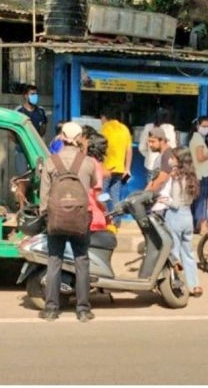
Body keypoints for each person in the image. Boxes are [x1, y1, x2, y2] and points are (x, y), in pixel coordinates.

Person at [38, 122, 97, 322]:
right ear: (80, 137)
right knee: (82, 261)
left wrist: (46, 215)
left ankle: (51, 309)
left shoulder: (50, 161)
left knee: (54, 261)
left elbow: (44, 194)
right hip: (80, 219)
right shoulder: (88, 162)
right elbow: (95, 185)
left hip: (56, 218)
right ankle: (82, 310)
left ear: (61, 136)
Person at [162, 147, 203, 297]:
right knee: (188, 253)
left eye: (173, 157)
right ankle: (195, 286)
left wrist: (163, 200)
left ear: (178, 160)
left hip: (175, 216)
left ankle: (177, 284)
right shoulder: (192, 177)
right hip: (188, 217)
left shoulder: (176, 177)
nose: (170, 160)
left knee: (174, 254)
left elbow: (175, 203)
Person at [99, 107, 133, 227]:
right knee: (115, 195)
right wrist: (127, 168)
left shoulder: (105, 128)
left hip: (106, 169)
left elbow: (100, 149)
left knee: (102, 195)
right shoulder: (124, 129)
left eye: (101, 118)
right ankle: (116, 222)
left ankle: (103, 221)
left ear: (104, 117)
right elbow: (129, 150)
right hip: (120, 169)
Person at [189, 116, 208, 235]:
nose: (206, 128)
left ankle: (195, 225)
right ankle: (202, 226)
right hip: (201, 175)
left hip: (200, 173)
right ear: (197, 126)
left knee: (198, 200)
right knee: (202, 201)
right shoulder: (198, 138)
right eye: (204, 126)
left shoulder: (197, 138)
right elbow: (199, 158)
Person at [139, 108, 178, 183]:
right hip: (165, 167)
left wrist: (148, 155)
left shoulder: (148, 127)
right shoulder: (169, 128)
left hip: (151, 165)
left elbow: (141, 147)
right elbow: (173, 149)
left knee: (151, 191)